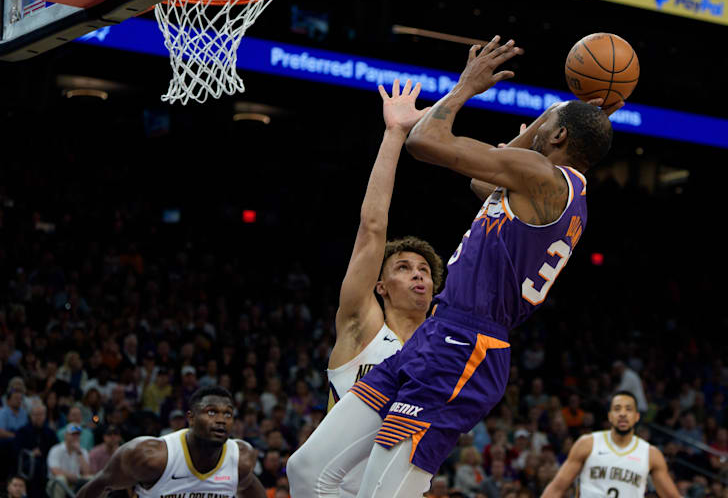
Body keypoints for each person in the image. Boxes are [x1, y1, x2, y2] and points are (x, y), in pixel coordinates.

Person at [350, 35, 620, 497]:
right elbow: (480, 182)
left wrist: (466, 86)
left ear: (555, 138)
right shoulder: (558, 193)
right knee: (309, 468)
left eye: (544, 126)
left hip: (465, 343)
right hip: (447, 332)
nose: (534, 131)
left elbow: (424, 140)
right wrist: (558, 118)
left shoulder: (541, 176)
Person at [286, 78, 445, 498]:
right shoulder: (363, 324)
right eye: (404, 268)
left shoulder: (442, 341)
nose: (418, 275)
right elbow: (372, 229)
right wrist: (395, 134)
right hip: (328, 490)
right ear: (380, 286)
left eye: (425, 270)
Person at [74, 386, 265, 498]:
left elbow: (251, 488)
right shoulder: (150, 456)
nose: (221, 419)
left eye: (228, 413)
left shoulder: (240, 458)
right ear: (190, 418)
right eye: (212, 412)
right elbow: (101, 484)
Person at [540, 391, 680, 498]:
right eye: (617, 409)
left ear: (637, 416)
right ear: (610, 416)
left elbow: (672, 496)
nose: (623, 414)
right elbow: (556, 488)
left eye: (628, 409)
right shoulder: (588, 443)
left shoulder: (650, 454)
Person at [47, 424, 91, 498]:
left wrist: (79, 453)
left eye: (78, 435)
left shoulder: (82, 452)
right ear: (66, 436)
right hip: (56, 484)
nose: (75, 437)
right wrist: (74, 478)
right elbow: (55, 471)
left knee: (91, 478)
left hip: (76, 483)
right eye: (73, 435)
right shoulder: (56, 449)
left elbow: (87, 472)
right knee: (60, 479)